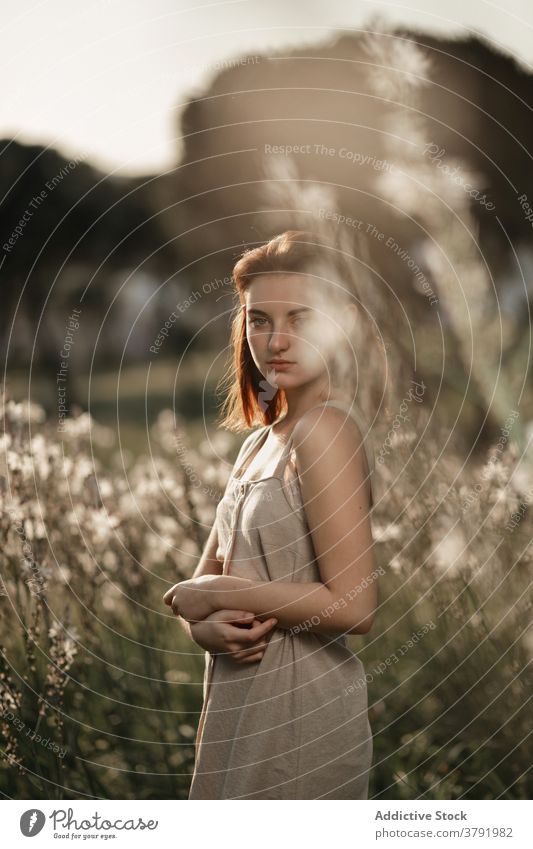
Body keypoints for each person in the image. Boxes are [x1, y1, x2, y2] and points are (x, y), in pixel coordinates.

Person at [163, 229, 378, 799]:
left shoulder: (326, 431)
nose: (276, 339)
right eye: (259, 319)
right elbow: (205, 583)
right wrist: (201, 626)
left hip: (300, 718)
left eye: (301, 319)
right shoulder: (262, 441)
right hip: (240, 711)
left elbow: (354, 604)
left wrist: (208, 594)